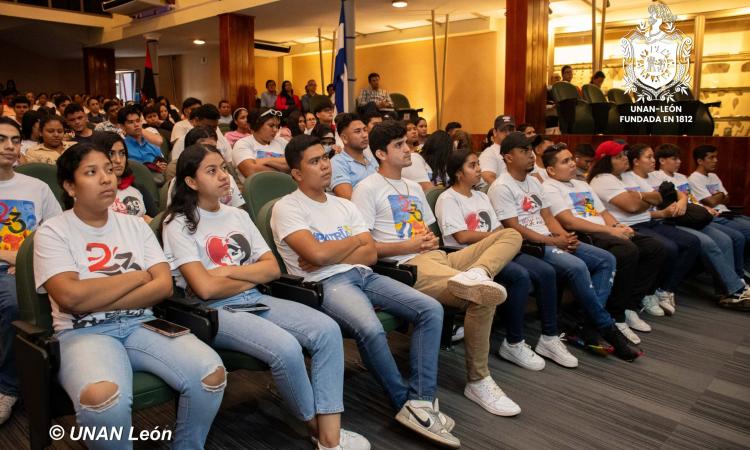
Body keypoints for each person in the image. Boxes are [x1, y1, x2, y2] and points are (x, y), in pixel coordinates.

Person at [162, 143, 369, 450]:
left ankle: (329, 435)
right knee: (285, 347)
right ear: (191, 182)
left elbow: (271, 269)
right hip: (215, 310)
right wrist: (241, 274)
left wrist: (222, 273)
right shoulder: (178, 223)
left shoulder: (238, 216)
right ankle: (320, 431)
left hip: (255, 297)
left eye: (224, 168)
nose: (223, 176)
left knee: (327, 330)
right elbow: (203, 290)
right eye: (212, 171)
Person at [33, 142, 225, 449]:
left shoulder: (136, 225)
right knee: (102, 398)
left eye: (109, 170)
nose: (107, 178)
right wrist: (136, 277)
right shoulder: (53, 231)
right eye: (91, 172)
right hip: (83, 332)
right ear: (70, 185)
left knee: (211, 374)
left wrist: (92, 295)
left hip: (142, 325)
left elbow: (162, 287)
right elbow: (70, 297)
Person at [271, 134, 459, 448]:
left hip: (365, 275)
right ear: (297, 173)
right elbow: (316, 258)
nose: (324, 165)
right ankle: (404, 403)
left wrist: (332, 250)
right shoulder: (286, 208)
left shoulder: (344, 205)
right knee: (370, 329)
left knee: (430, 309)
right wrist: (352, 244)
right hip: (327, 284)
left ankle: (422, 402)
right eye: (314, 161)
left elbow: (369, 254)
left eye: (325, 158)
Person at [351, 121, 528, 416]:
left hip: (439, 258)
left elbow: (427, 231)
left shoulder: (412, 187)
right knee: (483, 296)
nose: (408, 149)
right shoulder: (366, 189)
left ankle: (480, 271)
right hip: (406, 267)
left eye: (406, 143)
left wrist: (428, 240)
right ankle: (478, 380)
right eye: (399, 145)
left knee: (511, 234)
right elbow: (365, 248)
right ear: (381, 153)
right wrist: (408, 246)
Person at [489, 132, 639, 361]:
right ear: (508, 157)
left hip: (551, 238)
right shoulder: (502, 186)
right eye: (524, 151)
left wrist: (564, 236)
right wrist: (553, 241)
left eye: (531, 150)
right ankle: (607, 327)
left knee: (606, 259)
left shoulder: (533, 181)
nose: (531, 155)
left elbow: (548, 216)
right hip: (529, 244)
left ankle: (590, 324)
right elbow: (513, 228)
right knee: (578, 267)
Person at [435, 148, 577, 373]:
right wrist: (499, 237)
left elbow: (499, 227)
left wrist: (501, 237)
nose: (479, 169)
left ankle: (549, 337)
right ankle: (514, 342)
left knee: (547, 271)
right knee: (519, 276)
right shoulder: (448, 198)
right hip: (472, 256)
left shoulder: (481, 196)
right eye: (472, 166)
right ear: (458, 173)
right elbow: (462, 236)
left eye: (478, 164)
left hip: (499, 249)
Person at [542, 145, 666, 344]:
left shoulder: (581, 184)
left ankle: (628, 305)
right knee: (627, 251)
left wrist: (618, 226)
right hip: (585, 233)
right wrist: (611, 231)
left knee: (654, 248)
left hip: (605, 230)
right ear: (551, 170)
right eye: (565, 161)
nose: (573, 163)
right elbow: (569, 222)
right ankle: (614, 316)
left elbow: (603, 213)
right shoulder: (549, 187)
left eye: (571, 158)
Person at [631, 143, 749, 311]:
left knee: (725, 239)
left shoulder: (664, 178)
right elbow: (643, 208)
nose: (679, 162)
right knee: (707, 243)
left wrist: (685, 202)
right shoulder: (649, 177)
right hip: (670, 220)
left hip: (689, 216)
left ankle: (730, 286)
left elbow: (682, 195)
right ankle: (734, 289)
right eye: (649, 158)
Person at [588, 141, 701, 316]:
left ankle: (662, 289)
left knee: (691, 242)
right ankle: (645, 294)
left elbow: (659, 198)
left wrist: (640, 197)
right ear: (606, 161)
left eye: (625, 155)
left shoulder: (628, 176)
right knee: (665, 248)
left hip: (649, 220)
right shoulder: (602, 179)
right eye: (619, 156)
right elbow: (631, 206)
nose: (625, 158)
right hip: (631, 224)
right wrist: (644, 200)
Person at [0, 117, 62, 425]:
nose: (9, 147)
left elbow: (57, 232)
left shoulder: (37, 187)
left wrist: (27, 262)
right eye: (1, 140)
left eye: (14, 140)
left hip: (30, 266)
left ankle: (8, 387)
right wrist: (14, 258)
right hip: (14, 264)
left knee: (16, 302)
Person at [166, 126, 244, 209]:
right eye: (203, 148)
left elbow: (238, 208)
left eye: (213, 147)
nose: (209, 151)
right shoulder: (177, 182)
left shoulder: (227, 177)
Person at [689, 144, 750, 244]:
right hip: (716, 216)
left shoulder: (713, 176)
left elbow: (727, 199)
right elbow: (711, 202)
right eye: (711, 157)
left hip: (728, 212)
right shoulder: (694, 178)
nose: (715, 160)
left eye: (716, 157)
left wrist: (718, 196)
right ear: (700, 161)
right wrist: (721, 194)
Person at [93, 132, 158, 221]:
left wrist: (151, 222)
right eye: (111, 154)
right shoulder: (91, 193)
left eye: (122, 153)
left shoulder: (138, 189)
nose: (118, 160)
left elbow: (157, 222)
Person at [232, 107, 288, 182]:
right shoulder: (243, 144)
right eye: (271, 126)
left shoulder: (282, 142)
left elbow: (296, 165)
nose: (275, 130)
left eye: (277, 126)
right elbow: (251, 171)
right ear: (255, 126)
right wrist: (284, 166)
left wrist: (265, 161)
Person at [330, 113, 377, 199]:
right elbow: (350, 199)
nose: (365, 135)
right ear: (344, 138)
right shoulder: (337, 163)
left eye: (365, 130)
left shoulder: (372, 158)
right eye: (358, 131)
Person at [478, 115, 515, 187]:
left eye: (511, 130)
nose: (508, 134)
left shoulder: (521, 150)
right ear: (495, 132)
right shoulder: (490, 153)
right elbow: (488, 178)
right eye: (503, 130)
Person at [400, 120, 433, 191]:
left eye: (415, 129)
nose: (414, 132)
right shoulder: (402, 153)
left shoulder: (423, 149)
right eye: (409, 130)